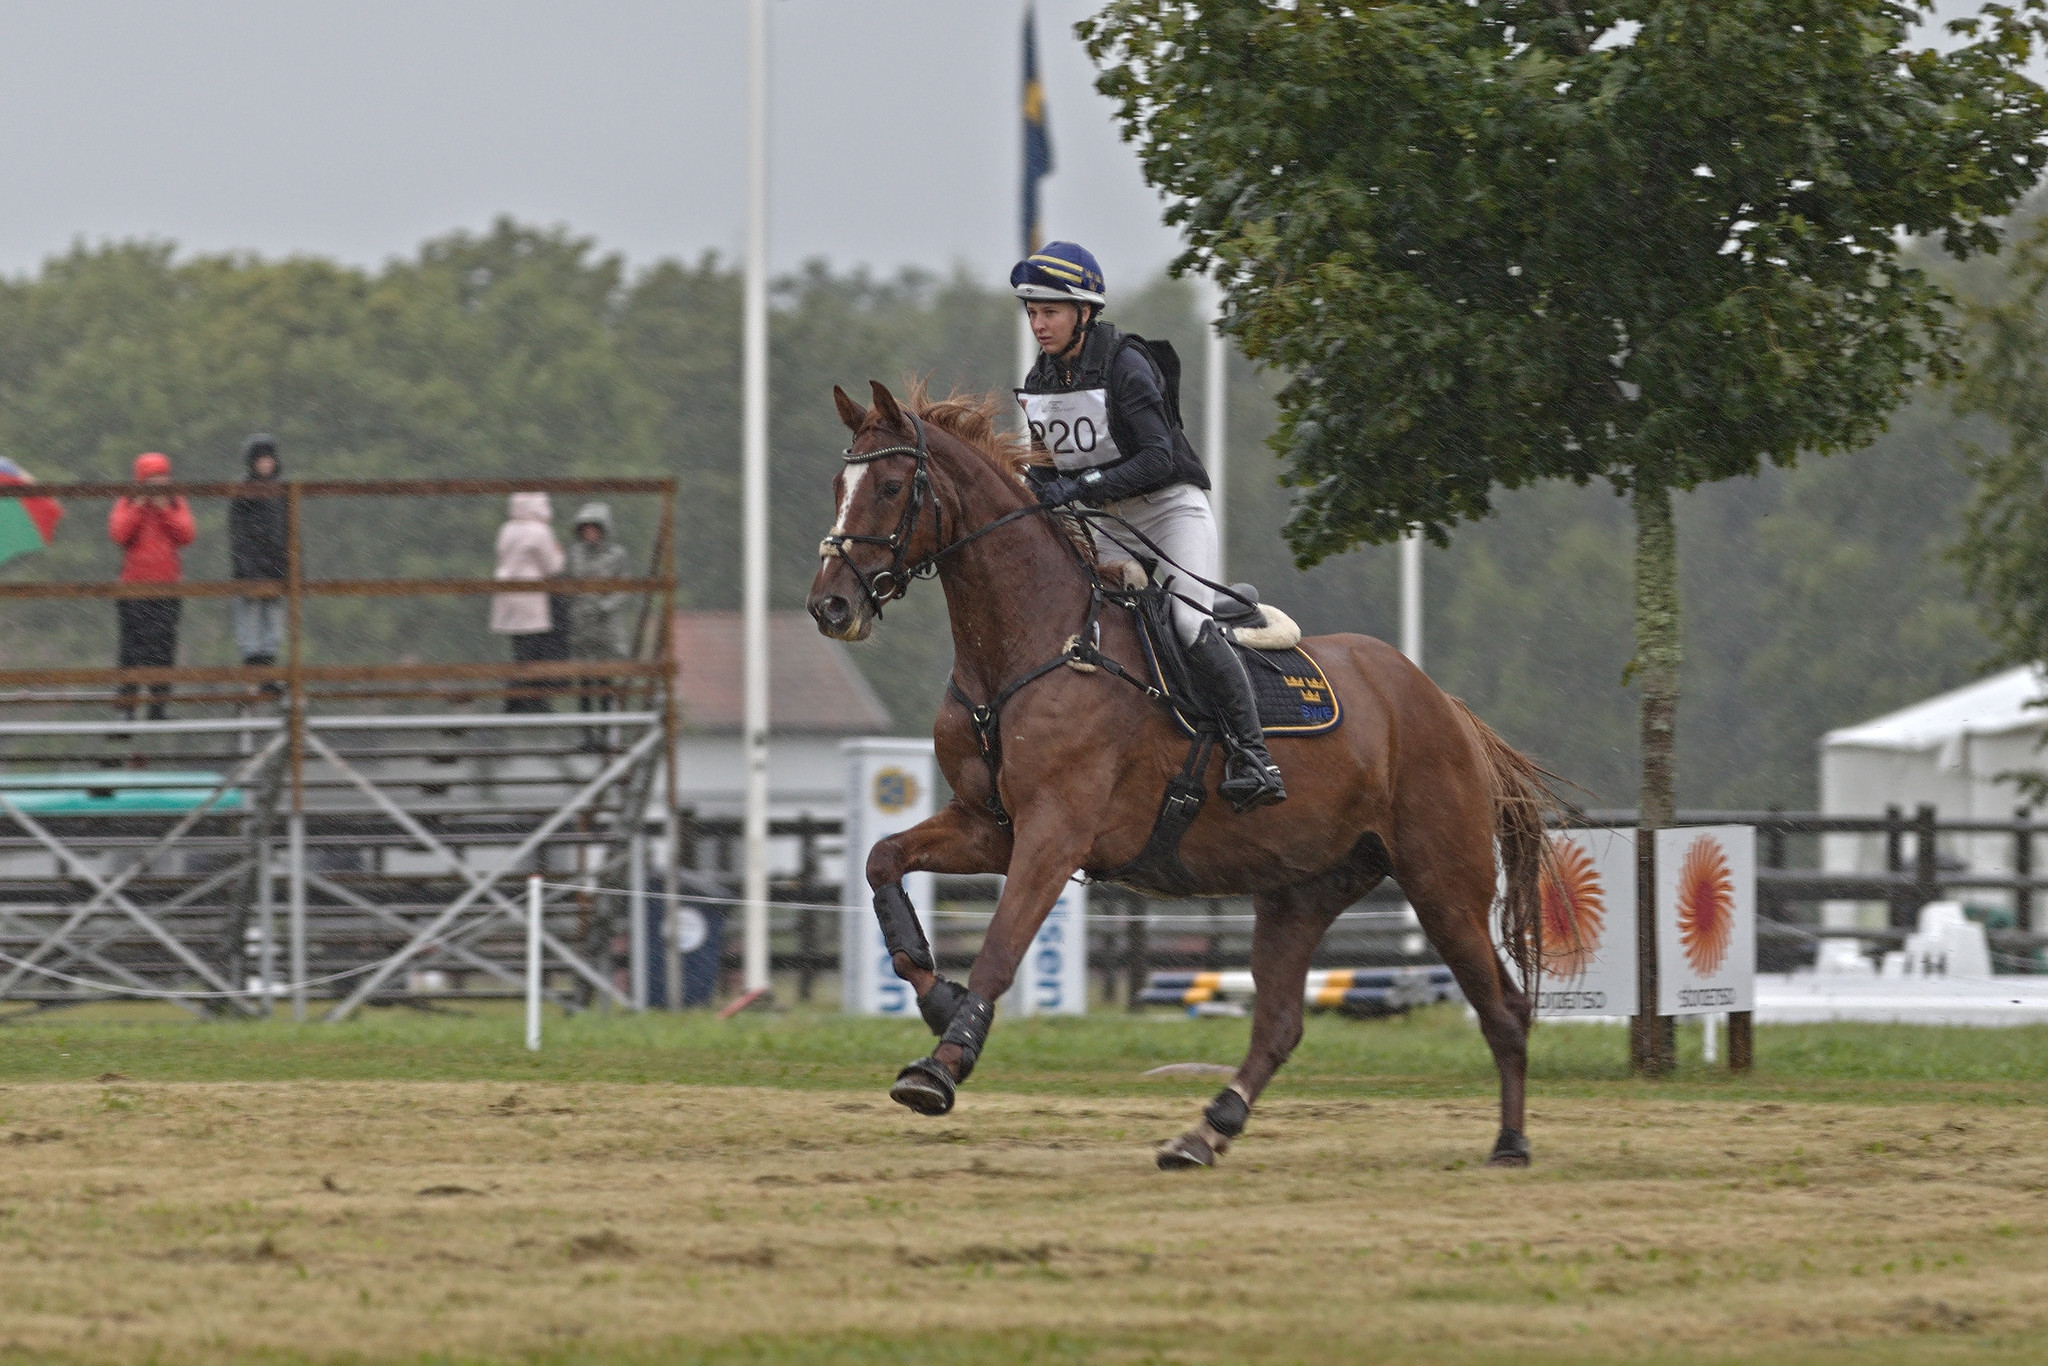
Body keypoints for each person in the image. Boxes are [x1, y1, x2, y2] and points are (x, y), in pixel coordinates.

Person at [1011, 241, 1285, 811]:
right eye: (1032, 312)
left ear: (1085, 312)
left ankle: (1253, 755)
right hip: (1108, 523)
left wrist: (1079, 488)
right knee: (1084, 617)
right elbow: (1045, 469)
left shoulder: (1126, 365)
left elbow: (1158, 458)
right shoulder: (1041, 382)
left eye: (1050, 312)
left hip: (1169, 510)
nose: (1038, 324)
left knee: (1186, 622)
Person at [107, 452, 195, 722]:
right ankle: (127, 708)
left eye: (162, 476)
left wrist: (163, 509)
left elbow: (187, 534)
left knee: (163, 647)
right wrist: (139, 505)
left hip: (167, 588)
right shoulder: (128, 500)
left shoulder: (174, 502)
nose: (159, 483)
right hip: (133, 588)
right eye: (152, 478)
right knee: (131, 649)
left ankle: (159, 706)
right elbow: (119, 534)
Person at [563, 502, 632, 748]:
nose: (589, 533)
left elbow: (625, 588)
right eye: (585, 529)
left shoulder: (617, 555)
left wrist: (605, 606)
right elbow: (566, 585)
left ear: (603, 530)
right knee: (583, 683)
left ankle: (605, 734)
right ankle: (585, 735)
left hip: (605, 628)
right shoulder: (573, 555)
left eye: (594, 529)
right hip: (581, 627)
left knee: (604, 682)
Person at [491, 491, 564, 713]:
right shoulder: (540, 531)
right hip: (530, 598)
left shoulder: (507, 529)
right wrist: (560, 554)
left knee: (520, 649)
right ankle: (526, 701)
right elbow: (552, 567)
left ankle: (520, 700)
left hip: (508, 595)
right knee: (534, 652)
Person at [226, 433, 286, 697]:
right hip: (250, 567)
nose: (265, 464)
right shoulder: (242, 492)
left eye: (268, 459)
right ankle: (253, 676)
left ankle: (268, 676)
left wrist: (294, 566)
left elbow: (291, 532)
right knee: (249, 625)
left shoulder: (283, 492)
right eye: (260, 460)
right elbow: (238, 535)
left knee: (273, 624)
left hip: (277, 567)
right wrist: (245, 568)